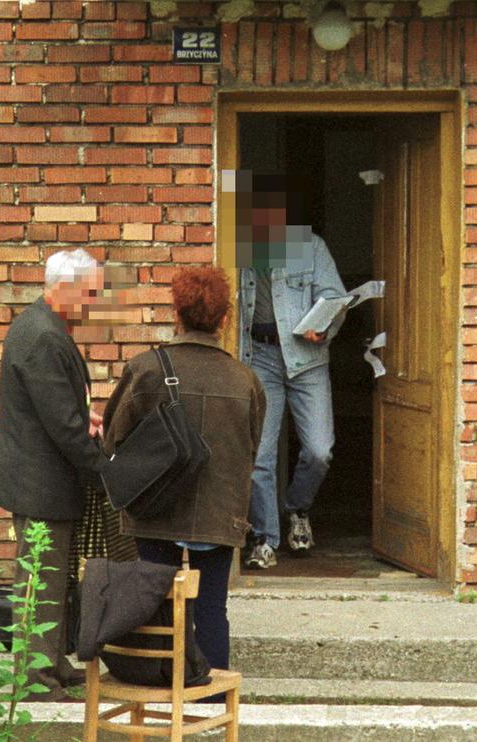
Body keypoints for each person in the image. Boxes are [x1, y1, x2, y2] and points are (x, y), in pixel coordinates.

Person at [102, 266, 266, 672]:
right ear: (226, 320)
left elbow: (113, 438)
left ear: (176, 313)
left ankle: (157, 686)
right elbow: (252, 448)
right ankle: (208, 701)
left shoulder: (145, 369)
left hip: (154, 511)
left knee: (154, 603)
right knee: (211, 607)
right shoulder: (246, 380)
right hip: (218, 515)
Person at [0, 248, 105, 701]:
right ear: (64, 287)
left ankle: (52, 662)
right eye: (90, 293)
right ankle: (35, 679)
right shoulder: (44, 336)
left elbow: (58, 411)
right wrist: (103, 468)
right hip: (40, 482)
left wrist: (83, 419)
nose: (93, 302)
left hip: (42, 478)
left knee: (52, 578)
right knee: (40, 580)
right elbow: (63, 427)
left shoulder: (41, 325)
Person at [238, 180, 346, 569]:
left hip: (307, 357)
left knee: (319, 449)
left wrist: (325, 326)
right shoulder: (239, 250)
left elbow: (335, 297)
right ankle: (264, 539)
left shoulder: (310, 246)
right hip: (259, 357)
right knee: (259, 456)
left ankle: (297, 509)